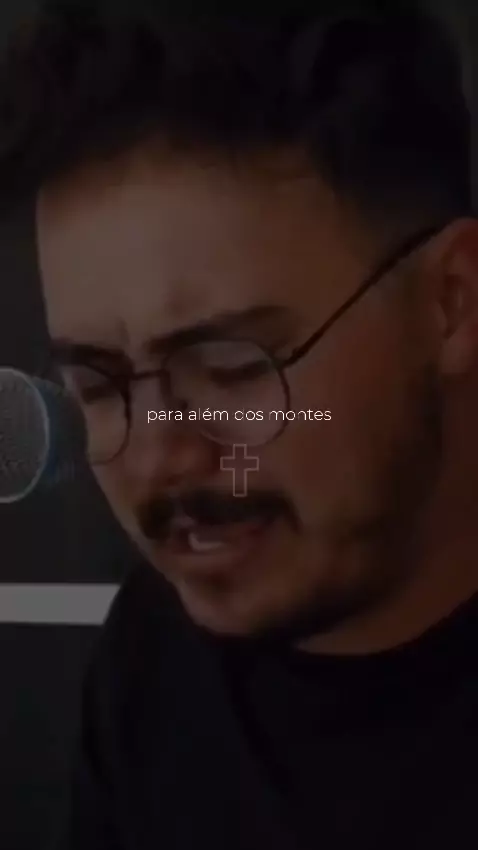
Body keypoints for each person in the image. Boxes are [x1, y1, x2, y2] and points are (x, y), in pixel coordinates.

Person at [2, 2, 478, 847]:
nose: (158, 459)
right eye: (100, 384)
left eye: (230, 366)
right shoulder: (149, 654)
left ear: (451, 301)